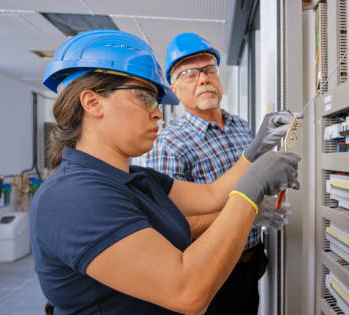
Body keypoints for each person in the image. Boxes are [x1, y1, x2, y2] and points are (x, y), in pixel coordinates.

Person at [30, 29, 300, 315]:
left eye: (155, 102)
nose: (157, 113)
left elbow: (212, 194)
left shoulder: (137, 179)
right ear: (93, 102)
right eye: (144, 97)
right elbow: (187, 291)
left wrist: (254, 151)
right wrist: (250, 192)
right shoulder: (73, 197)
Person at [146, 33, 291, 314]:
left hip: (251, 262)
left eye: (209, 69)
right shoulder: (169, 144)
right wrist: (248, 212)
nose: (203, 79)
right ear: (174, 89)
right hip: (212, 273)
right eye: (189, 73)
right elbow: (171, 226)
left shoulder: (242, 127)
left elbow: (253, 182)